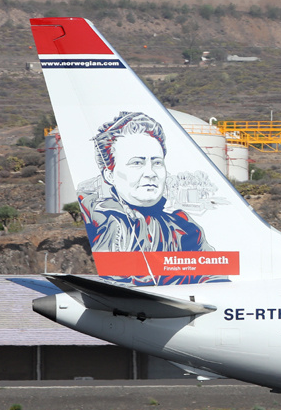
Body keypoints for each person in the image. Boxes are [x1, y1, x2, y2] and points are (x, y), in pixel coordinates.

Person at [78, 111, 217, 285]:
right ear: (109, 174)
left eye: (157, 162)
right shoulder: (106, 220)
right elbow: (117, 282)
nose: (150, 173)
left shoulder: (184, 227)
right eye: (137, 163)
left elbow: (216, 274)